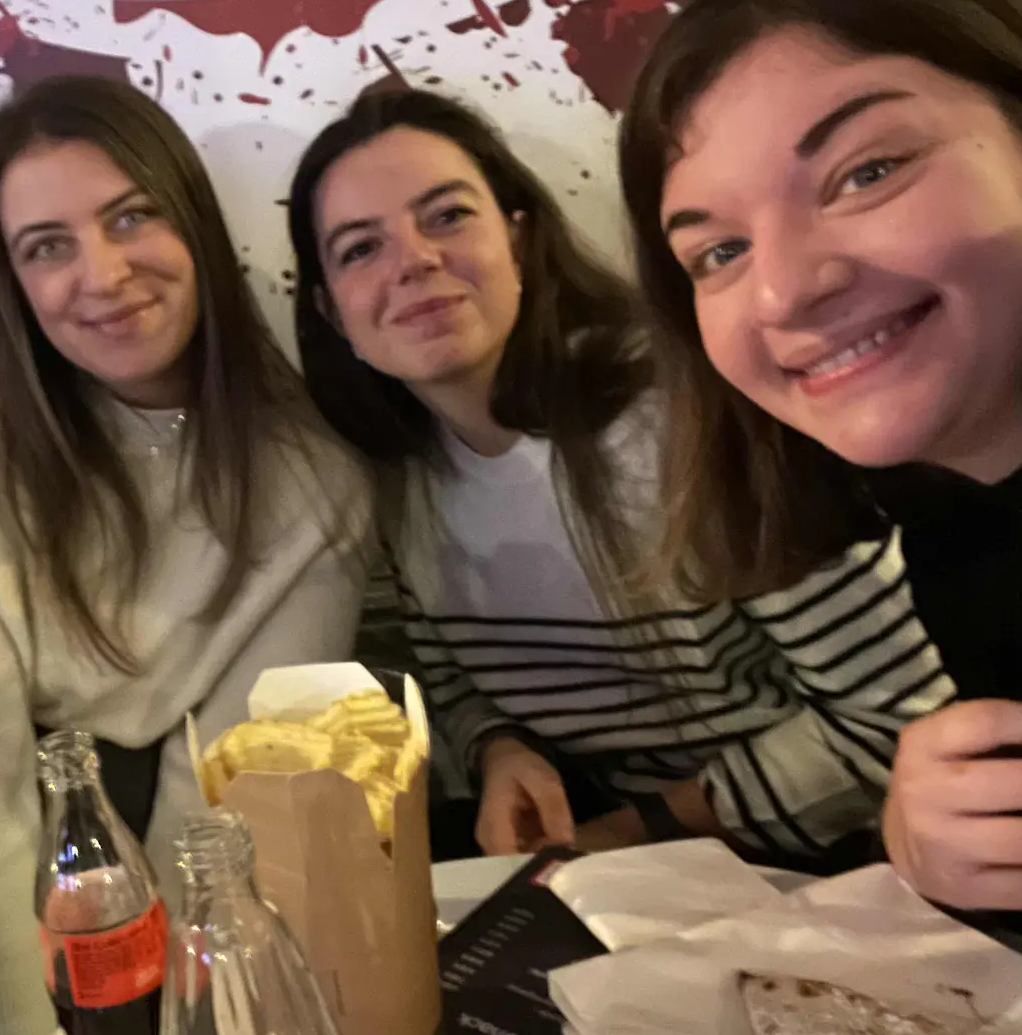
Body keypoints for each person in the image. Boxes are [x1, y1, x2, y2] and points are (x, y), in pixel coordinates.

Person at [290, 85, 951, 861]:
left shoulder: (696, 420)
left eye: (448, 216)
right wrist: (500, 750)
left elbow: (890, 721)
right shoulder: (390, 481)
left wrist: (633, 833)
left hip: (821, 857)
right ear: (332, 312)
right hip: (607, 859)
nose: (416, 261)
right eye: (360, 249)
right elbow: (447, 681)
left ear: (518, 242)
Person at [619, 0, 1022, 961]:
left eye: (866, 172)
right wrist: (928, 846)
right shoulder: (950, 512)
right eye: (719, 252)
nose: (784, 291)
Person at [0, 75, 372, 1035]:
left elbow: (228, 784)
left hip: (227, 895)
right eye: (46, 247)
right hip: (20, 902)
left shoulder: (316, 476)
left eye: (131, 217)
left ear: (193, 224)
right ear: (14, 283)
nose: (101, 275)